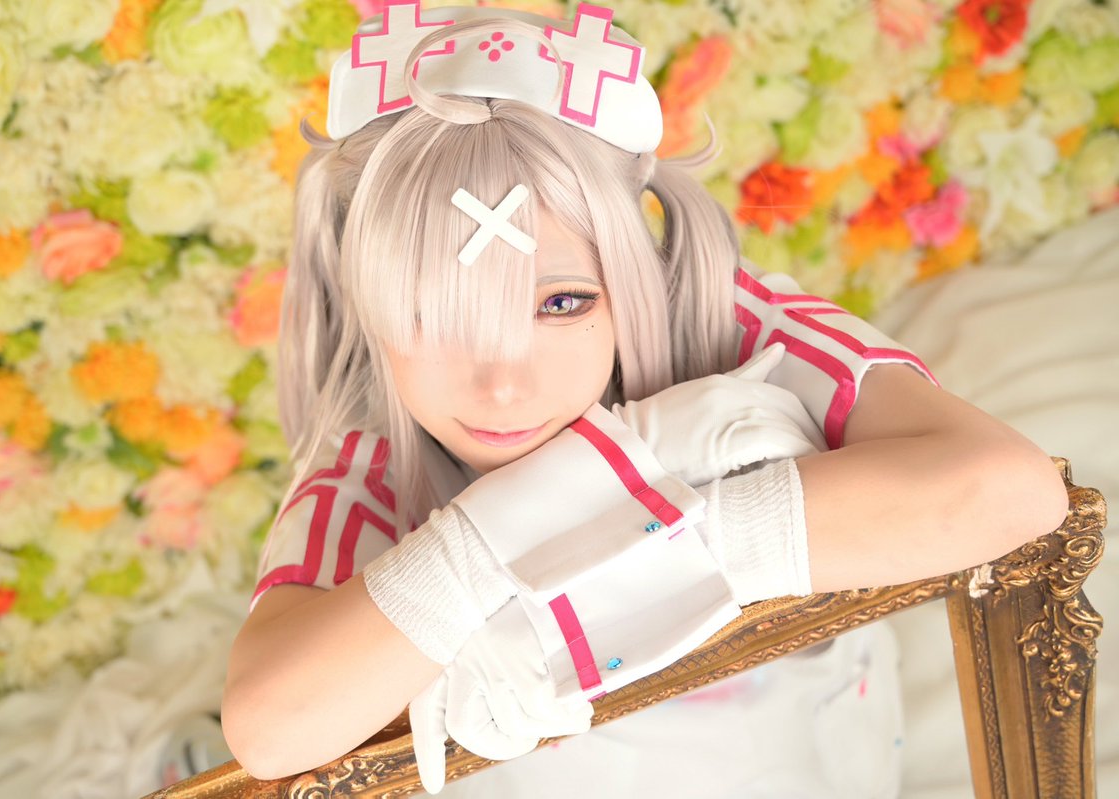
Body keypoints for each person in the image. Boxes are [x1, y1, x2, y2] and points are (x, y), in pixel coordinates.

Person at [219, 2, 1068, 796]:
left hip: (824, 750)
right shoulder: (374, 450)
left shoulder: (734, 324)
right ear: (370, 310)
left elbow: (1014, 491)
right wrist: (520, 531)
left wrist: (609, 555)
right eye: (432, 317)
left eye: (562, 303)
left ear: (630, 270)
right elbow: (270, 729)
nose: (503, 383)